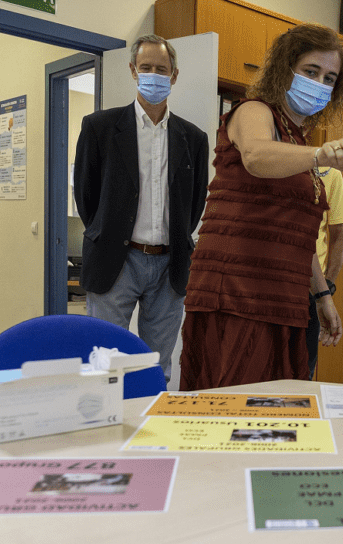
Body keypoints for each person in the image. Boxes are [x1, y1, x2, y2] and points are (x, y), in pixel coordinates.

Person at [181, 23, 343, 389]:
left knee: (275, 414)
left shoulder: (298, 139)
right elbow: (255, 156)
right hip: (236, 291)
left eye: (329, 78)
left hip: (285, 294)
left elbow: (298, 236)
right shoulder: (254, 111)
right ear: (285, 69)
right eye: (310, 71)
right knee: (234, 413)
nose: (319, 84)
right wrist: (319, 155)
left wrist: (323, 295)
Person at [73, 34, 210, 382]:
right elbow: (87, 197)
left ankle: (149, 430)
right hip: (116, 262)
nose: (153, 75)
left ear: (174, 76)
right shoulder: (99, 127)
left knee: (157, 367)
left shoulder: (193, 138)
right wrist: (110, 231)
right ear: (134, 71)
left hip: (169, 264)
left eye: (161, 69)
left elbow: (194, 204)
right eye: (146, 67)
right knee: (104, 364)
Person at [306, 169, 343, 378]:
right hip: (268, 286)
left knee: (302, 373)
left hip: (311, 291)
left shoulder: (329, 174)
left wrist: (326, 289)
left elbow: (338, 235)